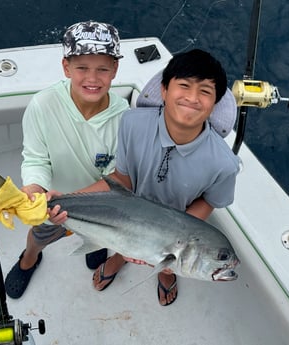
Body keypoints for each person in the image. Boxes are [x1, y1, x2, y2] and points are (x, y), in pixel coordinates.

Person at [48, 48, 240, 306]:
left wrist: (179, 231)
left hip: (179, 222)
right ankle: (118, 258)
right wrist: (64, 200)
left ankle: (166, 272)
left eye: (205, 91)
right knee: (131, 243)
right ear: (164, 90)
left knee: (171, 261)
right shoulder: (132, 123)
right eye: (183, 86)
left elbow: (210, 201)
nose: (192, 98)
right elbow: (121, 181)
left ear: (214, 102)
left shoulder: (225, 164)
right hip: (126, 210)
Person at [4, 20, 129, 299]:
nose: (92, 78)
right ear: (66, 67)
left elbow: (116, 178)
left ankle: (96, 246)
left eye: (102, 69)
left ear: (115, 70)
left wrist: (68, 199)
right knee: (39, 237)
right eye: (82, 67)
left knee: (99, 239)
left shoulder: (125, 117)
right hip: (50, 205)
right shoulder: (43, 104)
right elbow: (36, 158)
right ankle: (29, 259)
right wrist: (35, 190)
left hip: (99, 208)